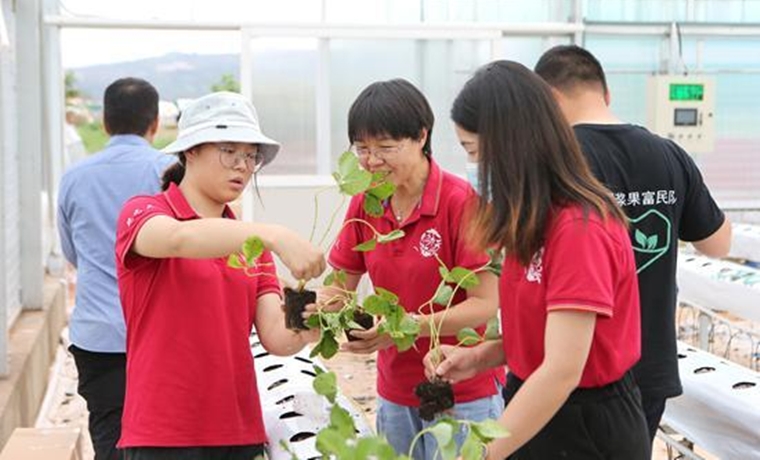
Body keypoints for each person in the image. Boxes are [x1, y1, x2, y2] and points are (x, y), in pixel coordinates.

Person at [424, 60, 651, 459]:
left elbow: (563, 369)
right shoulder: (534, 222)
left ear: (513, 147)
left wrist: (479, 454)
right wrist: (483, 356)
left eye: (474, 151)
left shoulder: (579, 228)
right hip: (538, 404)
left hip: (584, 425)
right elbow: (544, 335)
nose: (474, 167)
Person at [534, 45, 732, 444]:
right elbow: (718, 244)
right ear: (606, 95)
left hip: (579, 367)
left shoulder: (555, 165)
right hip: (650, 362)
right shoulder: (670, 154)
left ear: (548, 98)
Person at [114, 91, 325, 460]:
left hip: (237, 432)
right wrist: (274, 235)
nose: (242, 166)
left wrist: (309, 319)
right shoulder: (145, 213)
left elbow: (277, 339)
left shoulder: (250, 245)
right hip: (163, 435)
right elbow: (180, 240)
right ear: (190, 150)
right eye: (229, 150)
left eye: (250, 156)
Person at [325, 79, 504, 459]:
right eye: (362, 149)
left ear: (422, 136)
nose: (371, 161)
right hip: (394, 391)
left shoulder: (461, 203)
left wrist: (403, 328)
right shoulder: (366, 203)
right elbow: (340, 286)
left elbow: (486, 304)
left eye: (386, 148)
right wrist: (318, 308)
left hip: (462, 391)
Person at [57, 77, 175, 460]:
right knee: (164, 441)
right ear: (154, 123)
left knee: (109, 439)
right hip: (160, 335)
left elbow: (73, 255)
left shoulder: (74, 178)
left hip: (98, 337)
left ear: (105, 123)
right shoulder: (170, 173)